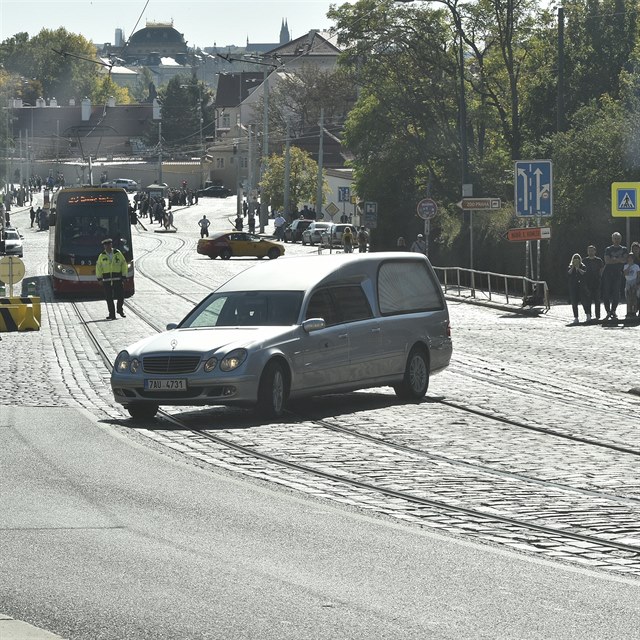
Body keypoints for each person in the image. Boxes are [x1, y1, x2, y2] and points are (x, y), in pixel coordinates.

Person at [96, 239, 127, 320]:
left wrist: (124, 276)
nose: (107, 247)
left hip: (117, 279)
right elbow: (98, 267)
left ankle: (119, 309)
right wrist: (99, 278)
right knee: (109, 298)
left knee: (121, 296)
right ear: (104, 246)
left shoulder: (118, 253)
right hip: (107, 280)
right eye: (106, 245)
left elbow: (124, 264)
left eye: (109, 245)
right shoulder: (102, 256)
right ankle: (112, 314)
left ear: (111, 245)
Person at [601, 232, 628, 321]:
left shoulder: (624, 249)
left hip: (617, 274)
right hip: (607, 273)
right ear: (612, 239)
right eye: (615, 238)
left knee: (616, 293)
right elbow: (607, 261)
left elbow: (625, 260)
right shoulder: (608, 249)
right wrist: (619, 260)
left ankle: (613, 310)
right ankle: (608, 311)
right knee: (606, 293)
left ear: (621, 239)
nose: (616, 240)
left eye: (618, 238)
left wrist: (614, 259)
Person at [582, 245, 603, 321]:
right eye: (589, 250)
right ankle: (589, 315)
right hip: (587, 282)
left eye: (592, 250)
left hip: (596, 282)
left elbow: (601, 270)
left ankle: (597, 316)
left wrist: (600, 278)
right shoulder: (584, 261)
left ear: (595, 251)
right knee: (588, 300)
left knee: (597, 300)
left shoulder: (599, 260)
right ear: (587, 251)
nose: (591, 252)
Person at [567, 253, 589, 324]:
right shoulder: (570, 266)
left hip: (581, 286)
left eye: (578, 258)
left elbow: (584, 273)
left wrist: (578, 268)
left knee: (584, 301)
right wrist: (573, 267)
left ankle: (588, 315)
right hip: (573, 286)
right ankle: (576, 317)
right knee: (574, 302)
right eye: (575, 258)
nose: (576, 260)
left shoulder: (583, 266)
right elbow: (568, 273)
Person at [623, 252, 640, 318]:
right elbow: (625, 274)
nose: (630, 259)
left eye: (631, 258)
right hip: (628, 282)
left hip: (634, 282)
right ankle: (628, 311)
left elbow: (638, 275)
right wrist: (629, 266)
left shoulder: (636, 266)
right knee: (628, 298)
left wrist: (637, 283)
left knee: (634, 297)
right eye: (629, 258)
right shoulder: (625, 266)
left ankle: (634, 311)